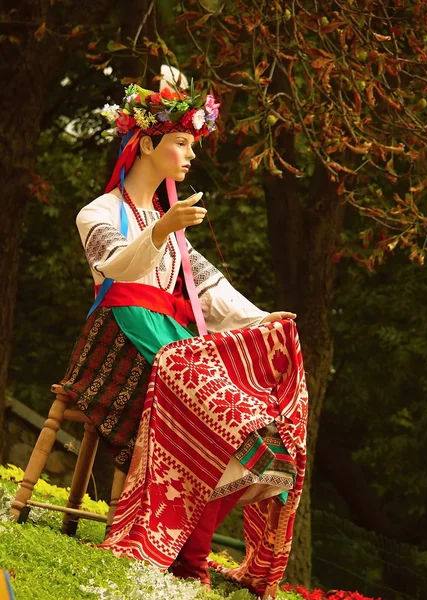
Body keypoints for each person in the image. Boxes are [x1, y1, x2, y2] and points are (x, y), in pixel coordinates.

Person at [61, 67, 308, 599]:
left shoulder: (167, 220)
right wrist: (161, 229)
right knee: (232, 416)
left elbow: (211, 291)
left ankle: (188, 555)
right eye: (180, 142)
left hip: (170, 338)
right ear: (148, 143)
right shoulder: (98, 213)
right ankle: (187, 561)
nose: (190, 154)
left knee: (265, 433)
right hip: (122, 337)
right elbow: (119, 269)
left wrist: (263, 320)